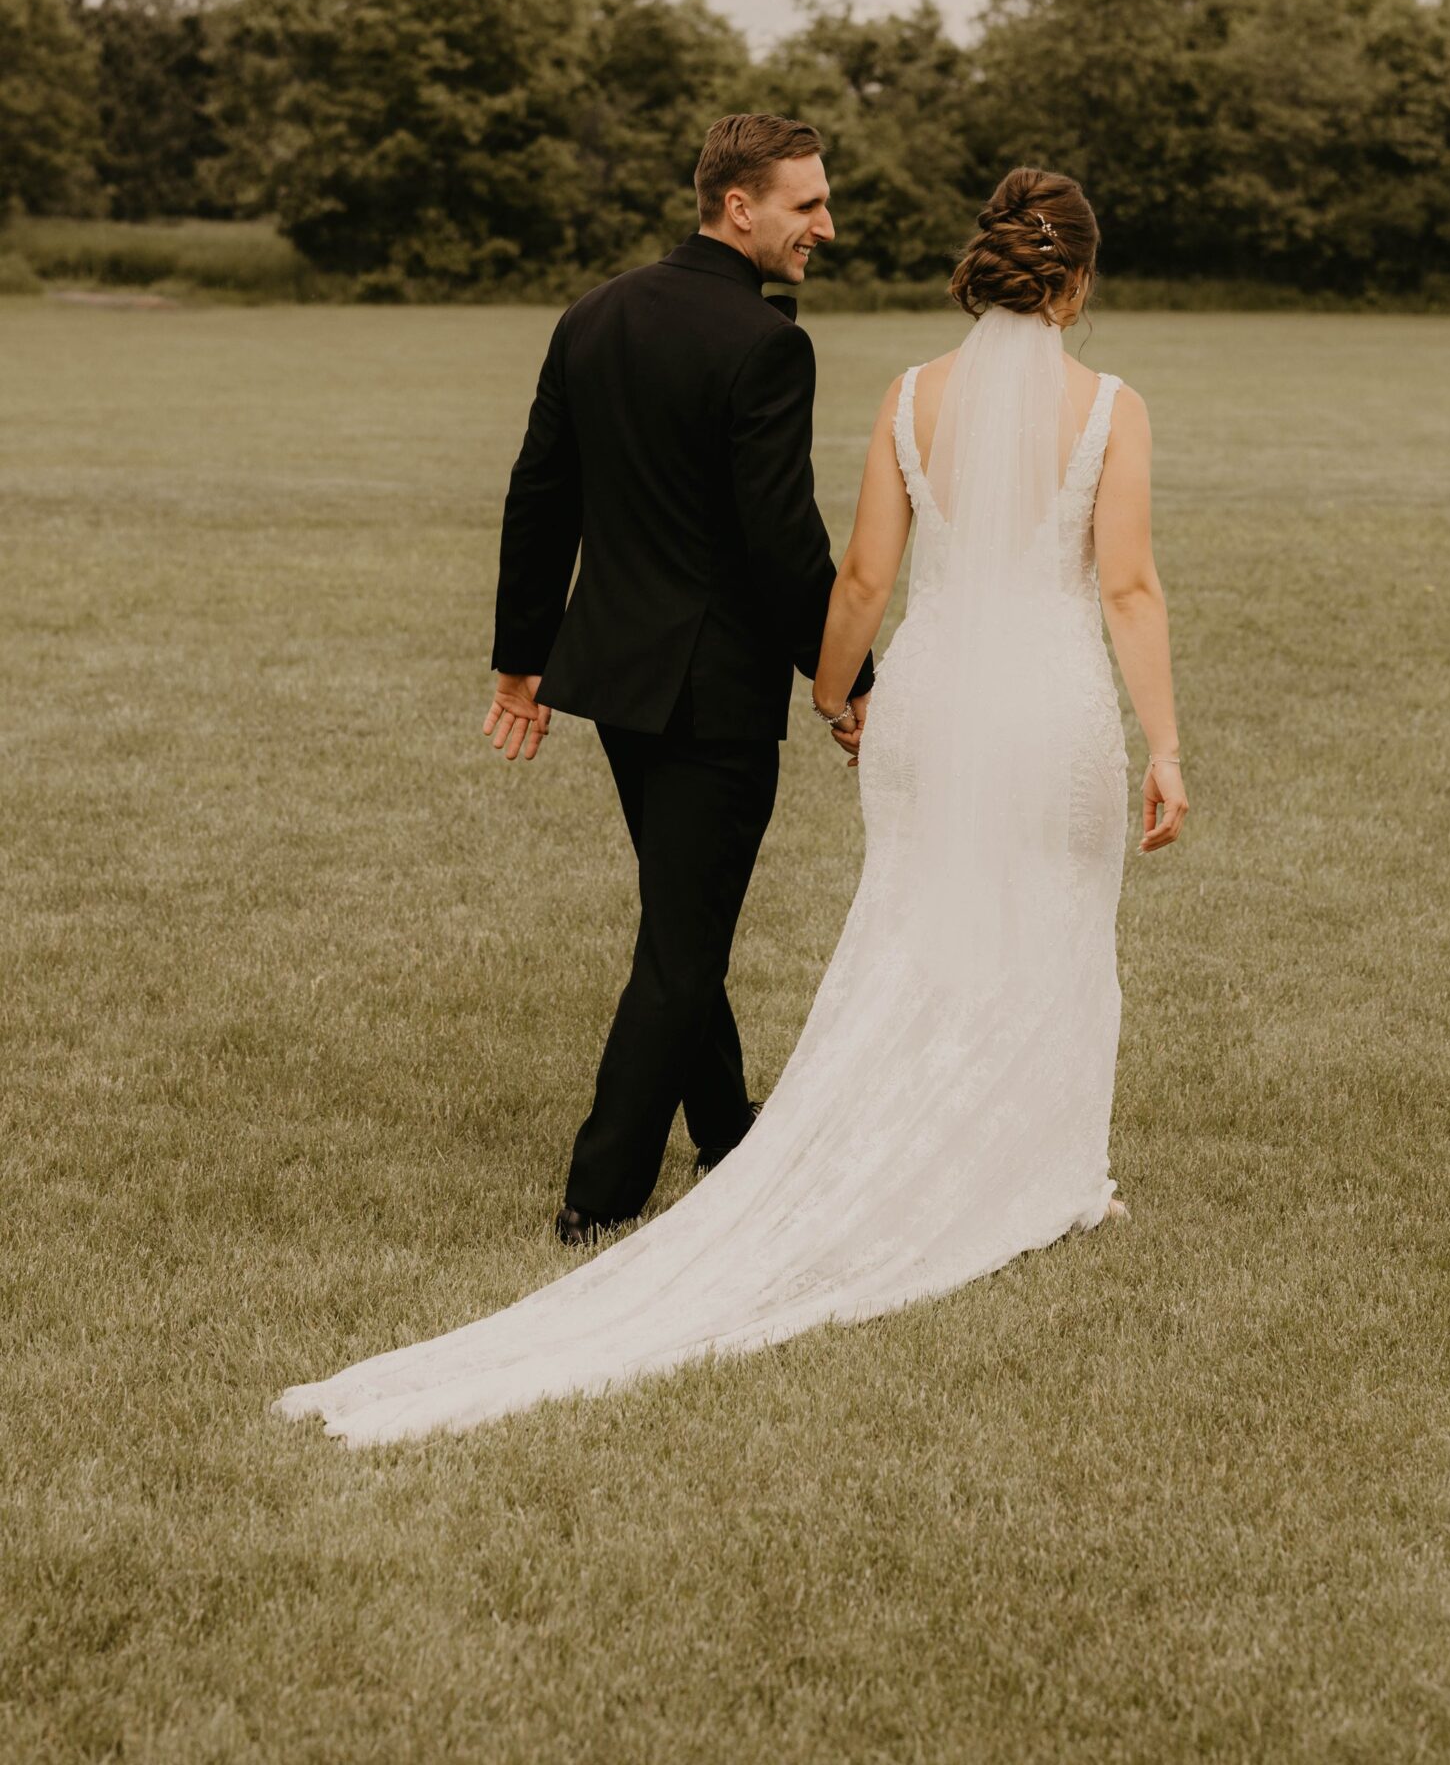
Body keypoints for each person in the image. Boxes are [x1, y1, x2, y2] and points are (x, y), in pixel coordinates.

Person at [274, 165, 1188, 1445]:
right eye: (805, 202)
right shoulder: (1075, 400)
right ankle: (1010, 1171)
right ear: (1078, 281)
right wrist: (1163, 744)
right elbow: (1117, 588)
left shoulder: (888, 389)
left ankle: (767, 1134)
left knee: (876, 916)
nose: (820, 223)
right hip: (996, 696)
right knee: (1012, 916)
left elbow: (856, 567)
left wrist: (836, 688)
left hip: (858, 693)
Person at [483, 111, 873, 1241]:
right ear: (737, 206)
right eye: (806, 205)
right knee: (682, 945)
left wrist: (524, 660)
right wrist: (849, 677)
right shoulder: (764, 345)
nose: (825, 226)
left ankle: (728, 1136)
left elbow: (537, 492)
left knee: (678, 915)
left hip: (616, 678)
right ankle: (596, 1201)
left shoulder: (592, 313)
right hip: (713, 694)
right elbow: (782, 544)